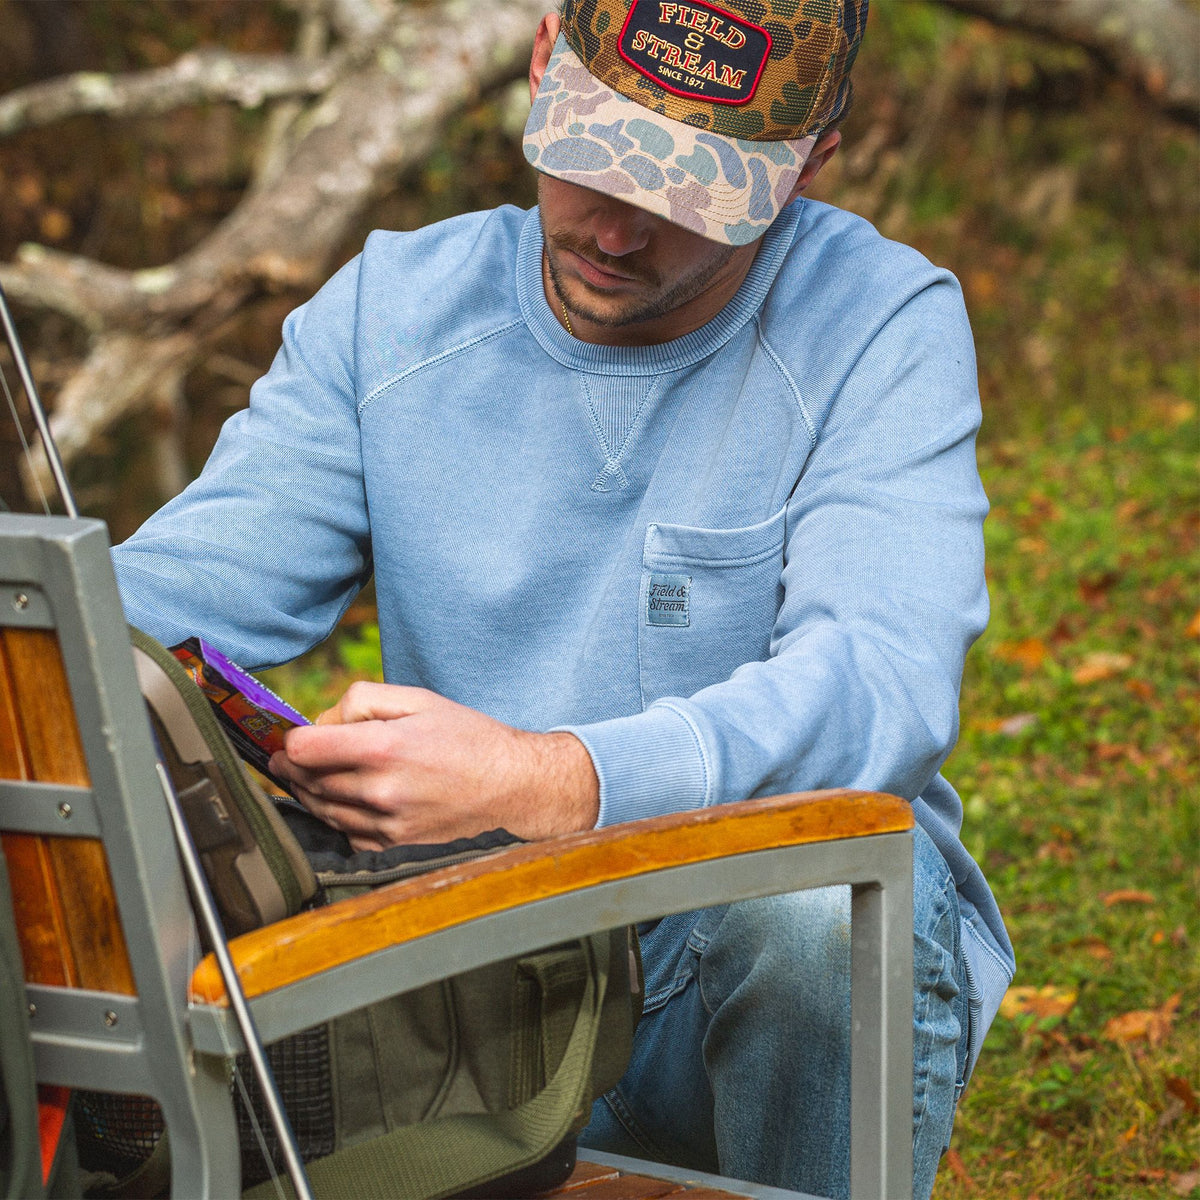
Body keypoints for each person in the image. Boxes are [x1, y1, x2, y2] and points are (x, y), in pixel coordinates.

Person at [111, 2, 1015, 1196]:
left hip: (731, 969)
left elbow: (880, 687)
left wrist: (544, 783)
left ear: (810, 163)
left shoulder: (878, 323)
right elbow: (158, 603)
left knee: (815, 908)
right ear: (544, 61)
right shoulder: (392, 312)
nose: (619, 228)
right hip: (471, 986)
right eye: (596, 155)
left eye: (692, 193)